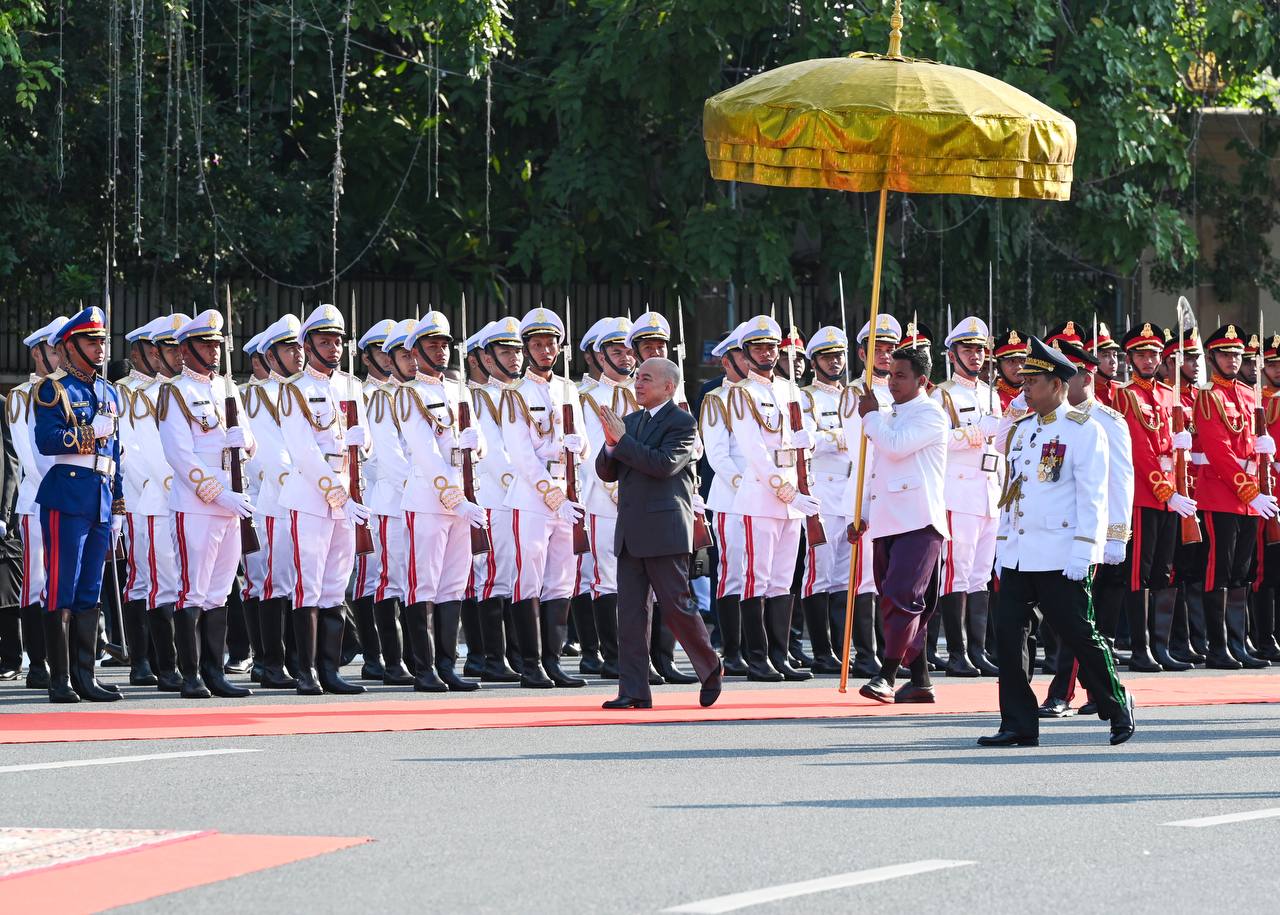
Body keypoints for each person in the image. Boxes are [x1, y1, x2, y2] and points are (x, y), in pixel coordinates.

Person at [980, 336, 1135, 747]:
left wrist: (1086, 550)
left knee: (1080, 634)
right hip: (1019, 554)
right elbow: (1012, 493)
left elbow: (1093, 495)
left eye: (1033, 382)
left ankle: (1116, 704)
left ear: (1057, 385)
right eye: (1024, 382)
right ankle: (1018, 723)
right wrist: (1002, 547)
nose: (1024, 388)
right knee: (1010, 639)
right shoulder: (1023, 430)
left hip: (1061, 553)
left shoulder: (1085, 430)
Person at [595, 357, 723, 710]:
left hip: (665, 530)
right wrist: (610, 444)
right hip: (631, 530)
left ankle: (710, 666)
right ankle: (634, 689)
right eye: (637, 378)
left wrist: (622, 441)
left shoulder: (683, 422)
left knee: (676, 606)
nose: (638, 383)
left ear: (668, 386)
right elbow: (607, 471)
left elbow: (664, 465)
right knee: (631, 614)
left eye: (646, 379)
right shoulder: (630, 421)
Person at [155, 309, 258, 700]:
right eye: (204, 344)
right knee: (193, 591)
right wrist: (218, 493)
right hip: (197, 505)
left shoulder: (227, 389)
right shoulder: (175, 392)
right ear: (185, 350)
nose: (213, 351)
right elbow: (180, 456)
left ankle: (215, 672)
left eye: (216, 344)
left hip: (231, 505)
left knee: (220, 592)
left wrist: (245, 441)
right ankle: (192, 674)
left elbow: (251, 442)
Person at [276, 304, 372, 695]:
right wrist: (337, 495)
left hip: (348, 495)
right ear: (308, 345)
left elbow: (366, 442)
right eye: (325, 342)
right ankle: (307, 671)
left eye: (337, 342)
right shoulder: (294, 389)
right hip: (311, 497)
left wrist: (362, 441)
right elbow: (303, 452)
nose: (333, 348)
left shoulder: (351, 386)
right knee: (309, 585)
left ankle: (331, 670)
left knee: (335, 586)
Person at [32, 306, 126, 703]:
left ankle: (85, 677)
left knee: (90, 589)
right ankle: (60, 680)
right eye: (91, 341)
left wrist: (117, 505)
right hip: (67, 495)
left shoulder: (109, 392)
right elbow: (47, 441)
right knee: (62, 587)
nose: (100, 348)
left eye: (103, 341)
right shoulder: (53, 389)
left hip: (100, 497)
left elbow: (116, 454)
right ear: (70, 346)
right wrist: (88, 432)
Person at [1039, 341, 1135, 716]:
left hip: (1089, 534)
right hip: (1054, 533)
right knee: (1070, 618)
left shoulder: (1107, 421)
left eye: (1066, 377)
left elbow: (1120, 482)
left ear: (1086, 378)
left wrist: (1116, 535)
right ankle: (1103, 690)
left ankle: (1062, 693)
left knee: (1075, 617)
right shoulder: (1054, 419)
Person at [396, 310, 489, 692]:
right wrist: (455, 499)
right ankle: (424, 668)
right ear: (416, 352)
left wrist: (477, 446)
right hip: (428, 501)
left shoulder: (459, 391)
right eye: (432, 345)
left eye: (444, 345)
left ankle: (448, 666)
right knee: (423, 585)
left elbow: (480, 444)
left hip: (463, 499)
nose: (440, 351)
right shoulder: (408, 395)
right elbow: (425, 455)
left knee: (453, 585)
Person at [851, 345, 949, 703]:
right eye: (891, 374)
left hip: (918, 521)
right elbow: (877, 470)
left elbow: (894, 446)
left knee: (902, 599)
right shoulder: (889, 415)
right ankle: (921, 681)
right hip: (888, 521)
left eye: (901, 376)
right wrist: (862, 514)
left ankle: (887, 675)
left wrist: (870, 417)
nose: (892, 381)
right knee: (899, 601)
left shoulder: (931, 413)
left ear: (921, 381)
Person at [501, 306, 589, 688]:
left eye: (551, 344)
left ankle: (553, 661)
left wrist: (579, 447)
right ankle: (530, 663)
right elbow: (522, 457)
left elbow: (584, 444)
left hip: (568, 492)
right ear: (526, 349)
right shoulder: (516, 395)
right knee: (529, 578)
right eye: (537, 345)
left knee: (562, 580)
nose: (545, 351)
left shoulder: (569, 390)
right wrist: (555, 498)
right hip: (533, 498)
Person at [728, 315, 819, 681]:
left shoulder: (790, 390)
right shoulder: (742, 394)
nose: (766, 353)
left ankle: (780, 656)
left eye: (771, 347)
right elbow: (755, 454)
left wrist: (809, 440)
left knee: (782, 579)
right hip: (762, 497)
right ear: (746, 354)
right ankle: (757, 658)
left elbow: (804, 436)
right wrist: (788, 492)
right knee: (757, 577)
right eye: (759, 348)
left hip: (793, 499)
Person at [1194, 324, 1278, 669]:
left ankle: (1238, 642)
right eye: (1226, 354)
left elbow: (1247, 445)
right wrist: (1250, 490)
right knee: (1220, 571)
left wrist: (1265, 449)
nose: (1232, 360)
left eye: (1237, 355)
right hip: (1220, 494)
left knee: (1243, 572)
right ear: (1212, 357)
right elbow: (1219, 451)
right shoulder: (1208, 396)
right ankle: (1218, 646)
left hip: (1249, 498)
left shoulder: (1248, 393)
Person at [931, 316, 1002, 677]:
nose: (976, 356)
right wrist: (975, 432)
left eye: (979, 350)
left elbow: (999, 445)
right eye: (968, 349)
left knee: (980, 576)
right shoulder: (942, 395)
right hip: (958, 493)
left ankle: (978, 650)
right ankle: (957, 652)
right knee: (957, 574)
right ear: (952, 354)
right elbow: (938, 441)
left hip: (988, 492)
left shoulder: (991, 394)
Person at [838, 314, 902, 678]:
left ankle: (890, 649)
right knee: (865, 576)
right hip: (867, 487)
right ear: (863, 353)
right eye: (878, 349)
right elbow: (857, 446)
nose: (885, 355)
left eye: (891, 349)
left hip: (894, 491)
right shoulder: (856, 393)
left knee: (890, 575)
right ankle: (866, 653)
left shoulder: (899, 391)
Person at [8, 316, 68, 690]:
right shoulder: (21, 397)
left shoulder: (71, 390)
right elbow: (28, 456)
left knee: (65, 580)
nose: (60, 356)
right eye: (53, 350)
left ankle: (68, 660)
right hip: (37, 500)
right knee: (35, 581)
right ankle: (38, 662)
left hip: (71, 498)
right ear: (37, 353)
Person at [579, 317, 638, 681]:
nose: (626, 358)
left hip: (641, 499)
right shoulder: (589, 398)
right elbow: (590, 453)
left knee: (642, 579)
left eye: (630, 351)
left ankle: (641, 655)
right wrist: (617, 491)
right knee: (607, 578)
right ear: (601, 357)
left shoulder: (643, 392)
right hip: (605, 499)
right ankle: (612, 656)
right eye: (617, 351)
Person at [798, 326, 851, 675]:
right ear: (814, 362)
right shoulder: (807, 398)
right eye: (827, 357)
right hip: (824, 491)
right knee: (819, 573)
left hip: (850, 491)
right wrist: (840, 437)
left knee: (845, 576)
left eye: (839, 356)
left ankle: (842, 647)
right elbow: (806, 439)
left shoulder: (852, 396)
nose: (835, 362)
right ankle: (821, 649)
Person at [700, 323, 750, 676]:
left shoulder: (773, 393)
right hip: (733, 496)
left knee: (764, 575)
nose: (750, 361)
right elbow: (716, 454)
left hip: (770, 496)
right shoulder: (716, 397)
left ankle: (764, 649)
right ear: (727, 361)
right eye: (742, 356)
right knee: (733, 571)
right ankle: (732, 648)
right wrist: (744, 485)